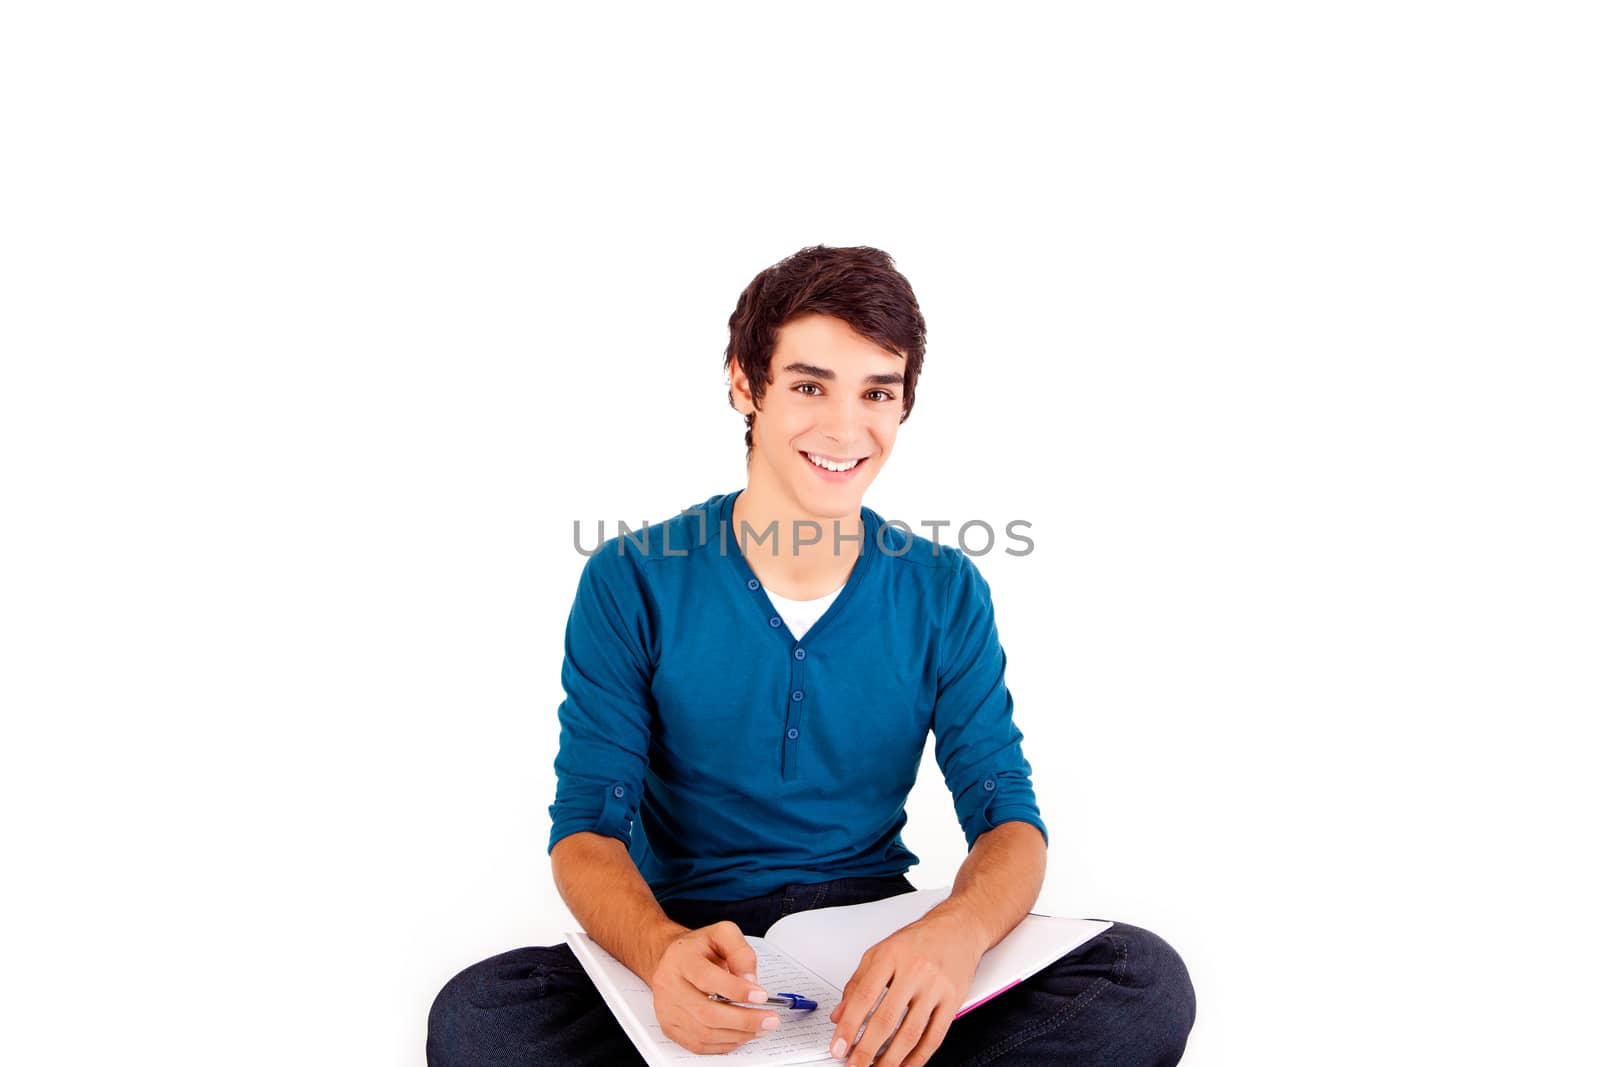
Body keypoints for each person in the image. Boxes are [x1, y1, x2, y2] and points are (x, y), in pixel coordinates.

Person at [427, 246, 1196, 1066]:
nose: (844, 426)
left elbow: (1009, 817)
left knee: (1138, 976)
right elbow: (586, 832)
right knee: (480, 1018)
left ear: (904, 407)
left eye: (877, 392)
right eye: (808, 385)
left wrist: (955, 935)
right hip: (698, 942)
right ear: (744, 384)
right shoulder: (632, 580)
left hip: (870, 940)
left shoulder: (943, 590)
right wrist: (659, 956)